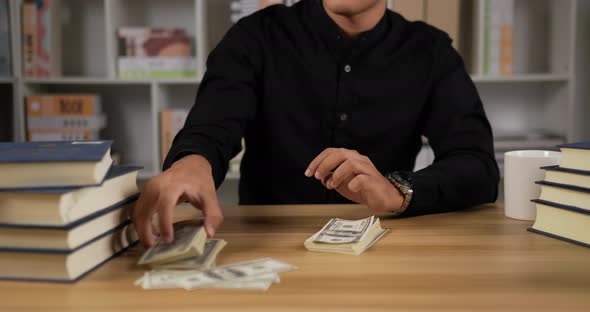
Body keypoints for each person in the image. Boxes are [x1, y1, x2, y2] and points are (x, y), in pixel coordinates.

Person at [133, 0, 499, 247]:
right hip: (272, 244)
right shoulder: (255, 36)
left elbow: (477, 165)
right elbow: (212, 126)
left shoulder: (430, 50)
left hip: (383, 244)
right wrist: (191, 162)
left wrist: (397, 191)